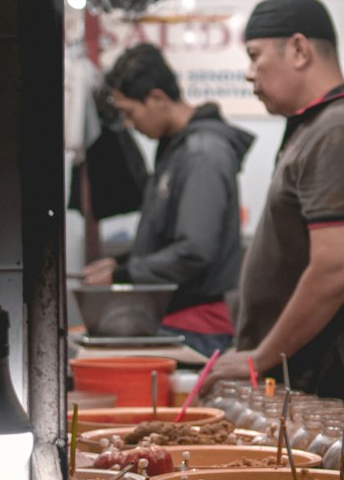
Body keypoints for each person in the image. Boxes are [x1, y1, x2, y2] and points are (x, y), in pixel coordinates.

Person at [205, 0, 344, 397]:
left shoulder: (340, 131)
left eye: (255, 56)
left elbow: (336, 269)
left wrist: (263, 357)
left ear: (298, 50)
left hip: (322, 379)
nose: (249, 73)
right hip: (298, 373)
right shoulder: (318, 125)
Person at [81, 43, 254, 358]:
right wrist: (122, 262)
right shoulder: (176, 148)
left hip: (198, 327)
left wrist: (123, 274)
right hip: (175, 319)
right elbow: (172, 237)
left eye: (130, 113)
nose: (130, 125)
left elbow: (195, 250)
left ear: (158, 99)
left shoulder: (203, 152)